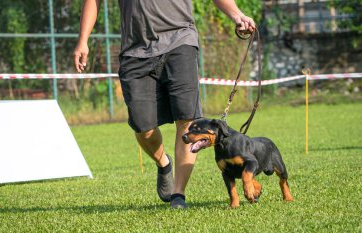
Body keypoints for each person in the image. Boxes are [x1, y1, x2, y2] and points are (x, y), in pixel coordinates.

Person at [73, 0, 255, 209]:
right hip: (135, 50)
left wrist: (236, 15)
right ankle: (163, 163)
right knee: (143, 127)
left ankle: (178, 194)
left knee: (187, 120)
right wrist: (83, 40)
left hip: (180, 39)